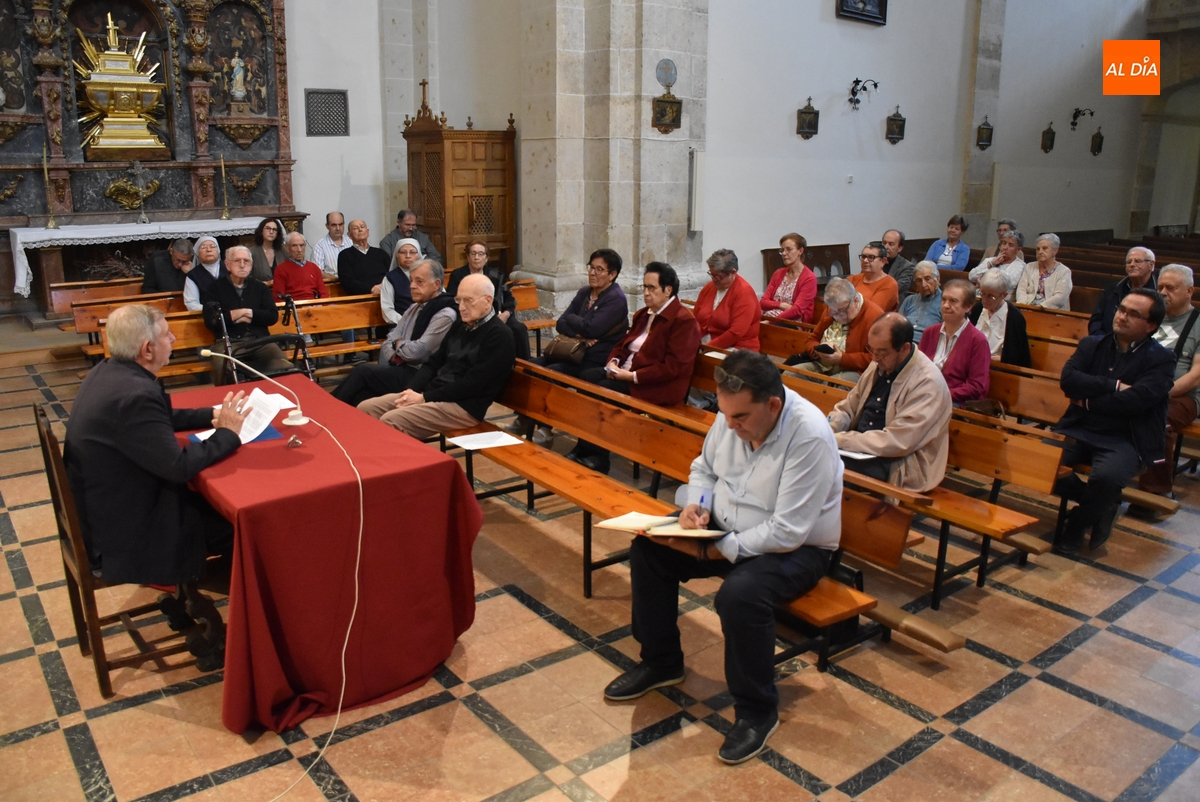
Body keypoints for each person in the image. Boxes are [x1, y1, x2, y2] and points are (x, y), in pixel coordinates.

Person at [602, 350, 842, 765]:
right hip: (725, 527)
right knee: (649, 548)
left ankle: (756, 710)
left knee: (739, 596)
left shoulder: (809, 436)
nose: (730, 426)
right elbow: (705, 468)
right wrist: (696, 506)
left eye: (740, 418)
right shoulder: (732, 412)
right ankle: (661, 662)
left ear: (773, 405)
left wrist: (715, 549)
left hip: (797, 549)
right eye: (726, 416)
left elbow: (788, 530)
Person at [64, 303, 250, 591]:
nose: (173, 338)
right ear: (147, 349)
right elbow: (178, 466)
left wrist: (210, 415)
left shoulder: (109, 371)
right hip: (130, 533)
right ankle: (246, 599)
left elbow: (156, 419)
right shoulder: (136, 395)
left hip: (109, 508)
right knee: (246, 525)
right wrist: (227, 434)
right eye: (166, 334)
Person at [1051, 288, 1175, 553]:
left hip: (1126, 437)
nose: (1122, 316)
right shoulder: (1092, 344)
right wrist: (1115, 385)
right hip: (1081, 428)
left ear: (1151, 325)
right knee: (1039, 459)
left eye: (1133, 314)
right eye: (1121, 310)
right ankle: (1103, 505)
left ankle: (1076, 526)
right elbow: (1069, 380)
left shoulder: (1162, 359)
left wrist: (1088, 402)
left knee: (1106, 477)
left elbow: (1137, 400)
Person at [563, 263, 702, 473]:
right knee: (586, 378)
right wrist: (614, 362)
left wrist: (633, 376)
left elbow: (673, 367)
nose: (645, 293)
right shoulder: (644, 314)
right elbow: (622, 344)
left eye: (651, 288)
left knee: (604, 391)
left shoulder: (683, 321)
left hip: (657, 386)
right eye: (644, 287)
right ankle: (584, 447)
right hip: (627, 374)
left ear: (668, 290)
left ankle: (599, 457)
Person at [358, 273, 515, 439]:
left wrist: (424, 398)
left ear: (488, 300)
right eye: (459, 300)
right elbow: (433, 362)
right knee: (366, 409)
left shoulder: (499, 336)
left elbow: (473, 384)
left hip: (464, 407)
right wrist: (411, 390)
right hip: (435, 395)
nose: (461, 307)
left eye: (468, 300)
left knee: (391, 420)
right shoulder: (460, 325)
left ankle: (396, 456)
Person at [512, 249, 629, 444]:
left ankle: (545, 428)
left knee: (552, 373)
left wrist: (576, 322)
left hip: (593, 358)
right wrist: (580, 334)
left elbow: (592, 328)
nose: (593, 273)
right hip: (571, 352)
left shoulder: (615, 299)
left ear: (612, 274)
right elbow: (561, 323)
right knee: (531, 367)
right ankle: (525, 418)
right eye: (591, 267)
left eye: (599, 269)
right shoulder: (585, 293)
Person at [828, 313, 952, 490]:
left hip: (899, 462)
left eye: (882, 353)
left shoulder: (927, 382)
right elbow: (848, 407)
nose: (874, 358)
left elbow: (898, 441)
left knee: (828, 465)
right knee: (811, 452)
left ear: (905, 348)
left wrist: (842, 440)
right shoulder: (879, 363)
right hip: (861, 448)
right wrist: (831, 428)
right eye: (872, 350)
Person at [332, 260, 457, 407]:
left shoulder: (445, 314)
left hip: (421, 375)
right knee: (361, 395)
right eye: (411, 280)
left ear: (436, 284)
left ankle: (326, 408)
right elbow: (389, 340)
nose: (412, 286)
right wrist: (397, 353)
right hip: (401, 367)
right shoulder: (413, 308)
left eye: (419, 282)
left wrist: (398, 345)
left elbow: (418, 352)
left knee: (363, 371)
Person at [1132, 265, 1200, 504]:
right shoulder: (1150, 318)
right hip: (1142, 387)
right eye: (1160, 287)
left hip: (1182, 396)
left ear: (1189, 291)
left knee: (1157, 420)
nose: (1162, 292)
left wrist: (1159, 393)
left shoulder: (1197, 323)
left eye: (1170, 288)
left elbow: (1196, 375)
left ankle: (1155, 492)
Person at [200, 245, 294, 383]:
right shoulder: (215, 288)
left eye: (246, 261)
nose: (242, 265)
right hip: (228, 342)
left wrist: (250, 313)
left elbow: (272, 316)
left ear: (251, 264)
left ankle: (276, 394)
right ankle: (229, 395)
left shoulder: (260, 287)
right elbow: (211, 321)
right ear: (227, 264)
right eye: (237, 261)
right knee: (222, 367)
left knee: (284, 364)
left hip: (260, 341)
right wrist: (234, 315)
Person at [786, 277, 884, 381]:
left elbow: (876, 359)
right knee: (789, 374)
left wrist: (842, 359)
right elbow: (811, 339)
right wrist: (817, 351)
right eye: (833, 312)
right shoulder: (832, 310)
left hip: (854, 370)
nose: (837, 317)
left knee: (830, 385)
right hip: (822, 364)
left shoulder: (875, 317)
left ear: (855, 301)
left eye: (842, 311)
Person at [447, 238, 530, 360]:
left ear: (486, 258)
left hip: (497, 315)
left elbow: (509, 299)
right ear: (468, 256)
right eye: (473, 253)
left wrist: (506, 314)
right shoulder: (458, 275)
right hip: (472, 317)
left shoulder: (495, 275)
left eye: (481, 254)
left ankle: (524, 365)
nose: (476, 257)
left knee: (519, 328)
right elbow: (452, 300)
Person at [918, 279, 991, 404]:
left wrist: (941, 395)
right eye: (944, 300)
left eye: (953, 301)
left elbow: (977, 386)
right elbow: (916, 369)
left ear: (968, 307)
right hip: (924, 395)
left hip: (954, 402)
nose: (946, 305)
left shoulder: (978, 341)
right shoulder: (929, 332)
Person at [338, 220, 392, 363]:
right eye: (355, 228)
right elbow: (347, 281)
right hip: (358, 300)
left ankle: (387, 351)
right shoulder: (345, 255)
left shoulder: (380, 254)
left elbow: (391, 275)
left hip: (383, 297)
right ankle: (350, 355)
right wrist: (371, 289)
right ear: (349, 235)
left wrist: (382, 286)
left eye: (362, 227)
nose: (360, 230)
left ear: (368, 232)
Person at [694, 249, 761, 350]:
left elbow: (736, 333)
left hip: (737, 348)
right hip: (706, 344)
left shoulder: (744, 293)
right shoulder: (708, 288)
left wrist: (707, 348)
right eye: (711, 274)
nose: (713, 279)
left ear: (733, 272)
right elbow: (695, 319)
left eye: (718, 276)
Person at [968, 268, 1032, 367]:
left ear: (1004, 295)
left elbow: (1015, 357)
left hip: (999, 368)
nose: (984, 300)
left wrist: (987, 358)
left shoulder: (1014, 317)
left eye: (991, 296)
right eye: (982, 293)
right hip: (972, 363)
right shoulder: (978, 308)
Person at [1088, 246, 1157, 336]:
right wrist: (1104, 341)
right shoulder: (1112, 289)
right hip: (1105, 340)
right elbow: (1096, 321)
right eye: (1129, 262)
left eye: (1138, 261)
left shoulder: (1158, 293)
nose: (1132, 264)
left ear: (1151, 265)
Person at [760, 233, 817, 322]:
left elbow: (797, 311)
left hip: (792, 323)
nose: (784, 253)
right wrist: (781, 305)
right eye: (782, 250)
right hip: (769, 319)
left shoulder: (809, 278)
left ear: (800, 251)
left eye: (789, 249)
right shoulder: (778, 273)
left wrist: (771, 322)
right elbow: (763, 302)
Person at [1016, 234, 1073, 310]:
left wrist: (1040, 307)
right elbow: (1021, 289)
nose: (1040, 252)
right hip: (1028, 308)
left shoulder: (1064, 271)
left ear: (1055, 251)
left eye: (1045, 248)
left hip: (1051, 311)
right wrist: (1022, 306)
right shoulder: (1030, 266)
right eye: (1038, 249)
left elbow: (1060, 297)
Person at [272, 232, 328, 302]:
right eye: (294, 246)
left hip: (314, 305)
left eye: (302, 245)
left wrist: (320, 305)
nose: (299, 250)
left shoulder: (314, 268)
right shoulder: (281, 269)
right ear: (287, 248)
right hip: (293, 306)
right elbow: (278, 297)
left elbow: (324, 293)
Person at [381, 237, 423, 325]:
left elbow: (440, 299)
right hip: (402, 325)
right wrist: (406, 323)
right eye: (403, 252)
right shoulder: (390, 278)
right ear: (397, 255)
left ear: (418, 255)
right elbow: (387, 310)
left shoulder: (429, 275)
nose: (408, 256)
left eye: (412, 252)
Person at [898, 261, 943, 343]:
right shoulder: (909, 300)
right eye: (919, 280)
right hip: (903, 343)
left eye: (927, 279)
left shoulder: (945, 303)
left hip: (926, 345)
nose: (923, 285)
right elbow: (897, 325)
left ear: (937, 279)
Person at [850, 241, 900, 312]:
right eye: (863, 257)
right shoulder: (852, 279)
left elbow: (873, 312)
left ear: (883, 261)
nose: (865, 260)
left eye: (871, 257)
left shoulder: (889, 284)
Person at [183, 236, 226, 311]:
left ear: (218, 250)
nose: (209, 250)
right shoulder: (193, 276)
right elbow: (191, 304)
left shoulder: (230, 268)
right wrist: (213, 310)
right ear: (198, 253)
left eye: (212, 246)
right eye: (204, 247)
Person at [312, 211, 353, 278]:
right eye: (334, 225)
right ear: (327, 226)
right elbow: (318, 271)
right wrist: (337, 280)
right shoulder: (319, 246)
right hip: (332, 282)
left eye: (340, 224)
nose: (338, 228)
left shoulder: (351, 242)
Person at [881, 229, 915, 298]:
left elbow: (895, 288)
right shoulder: (874, 261)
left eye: (891, 244)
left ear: (900, 248)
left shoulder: (908, 267)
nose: (886, 247)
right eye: (884, 243)